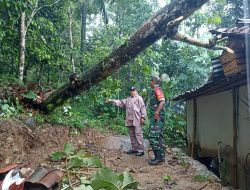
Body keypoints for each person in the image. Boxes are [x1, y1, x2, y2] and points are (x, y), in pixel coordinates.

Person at [107, 86, 146, 156]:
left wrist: (143, 117)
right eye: (131, 90)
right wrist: (112, 100)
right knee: (132, 134)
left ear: (136, 91)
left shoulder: (139, 98)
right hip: (130, 119)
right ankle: (134, 148)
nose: (132, 91)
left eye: (133, 90)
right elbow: (120, 102)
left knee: (138, 134)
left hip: (137, 119)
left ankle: (141, 150)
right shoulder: (128, 99)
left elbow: (142, 107)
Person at [148, 76, 166, 165]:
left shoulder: (157, 90)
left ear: (153, 82)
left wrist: (156, 113)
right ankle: (161, 157)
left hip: (157, 117)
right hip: (157, 117)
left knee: (152, 137)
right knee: (159, 137)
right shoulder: (154, 91)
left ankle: (158, 158)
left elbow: (162, 101)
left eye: (150, 81)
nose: (149, 83)